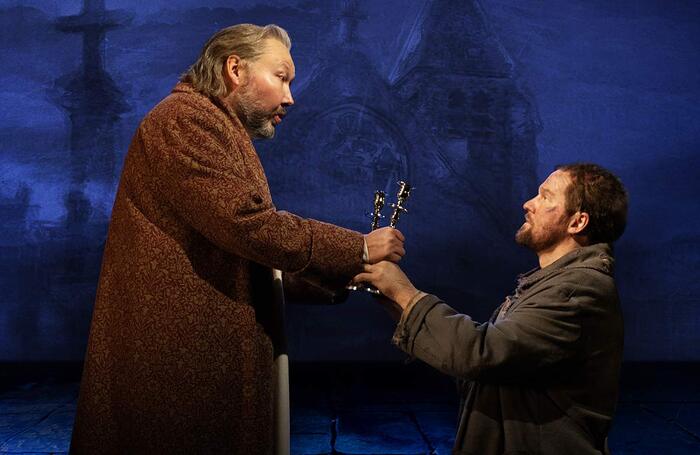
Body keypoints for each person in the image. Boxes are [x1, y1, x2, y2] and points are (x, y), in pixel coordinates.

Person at [70, 24, 405, 454]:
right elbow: (245, 224)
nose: (290, 97)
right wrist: (356, 247)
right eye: (281, 77)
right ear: (235, 69)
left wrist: (348, 275)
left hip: (196, 366)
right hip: (178, 371)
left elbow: (242, 255)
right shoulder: (183, 121)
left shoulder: (215, 128)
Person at [355, 163, 628, 455]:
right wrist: (394, 300)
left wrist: (403, 292)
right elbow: (483, 374)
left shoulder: (576, 291)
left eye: (545, 197)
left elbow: (481, 354)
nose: (528, 204)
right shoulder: (550, 286)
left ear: (577, 222)